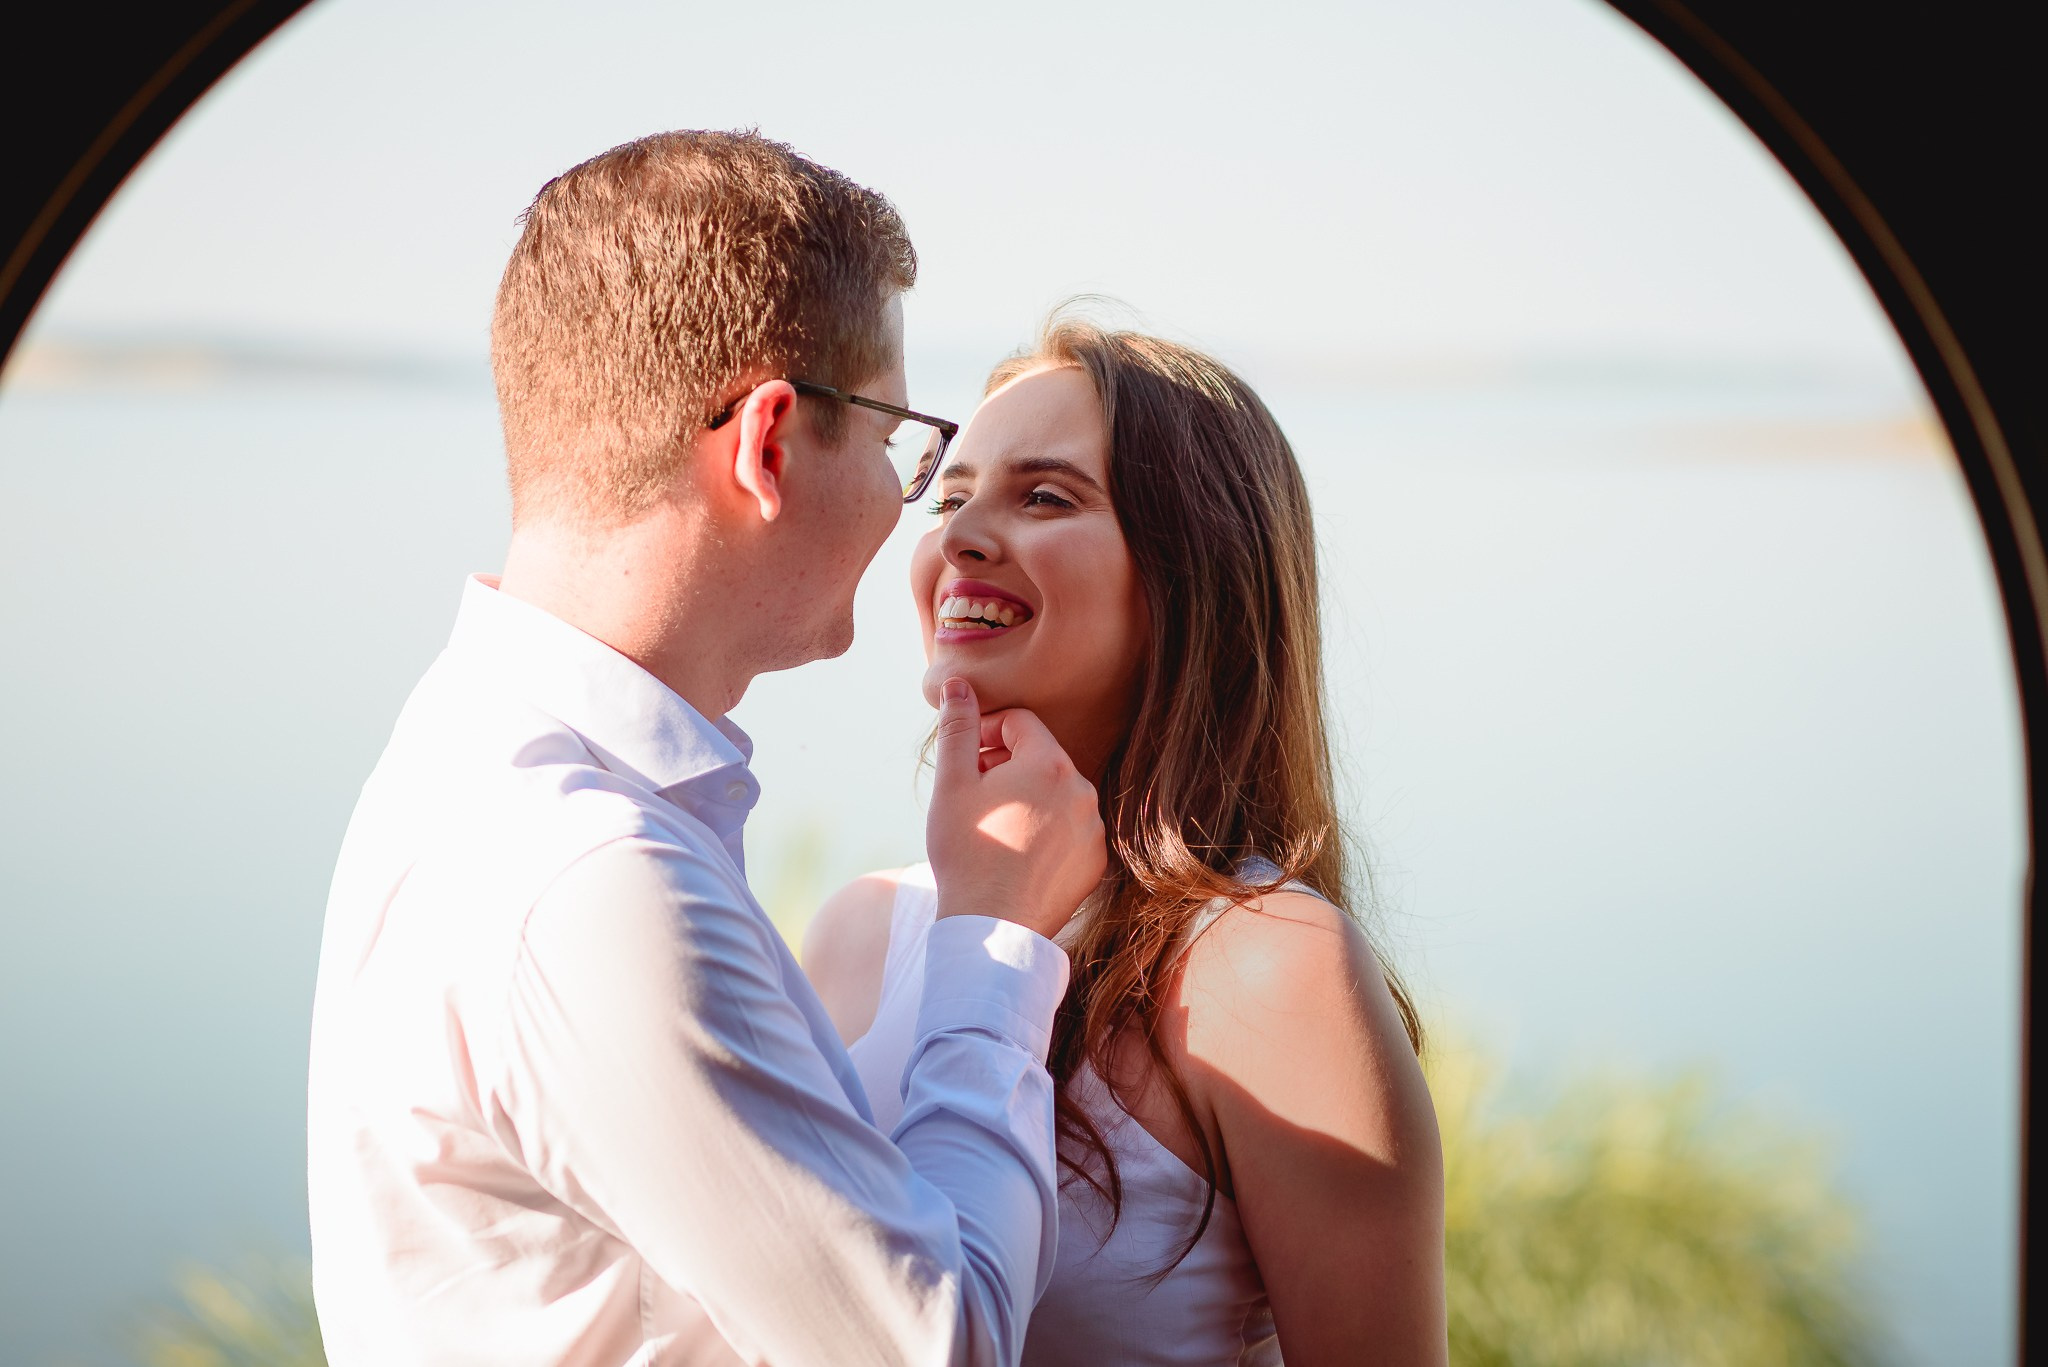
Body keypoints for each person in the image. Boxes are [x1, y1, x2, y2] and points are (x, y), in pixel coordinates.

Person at [306, 130, 1107, 1367]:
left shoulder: (466, 750)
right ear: (769, 443)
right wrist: (993, 939)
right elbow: (935, 1345)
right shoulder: (591, 878)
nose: (920, 507)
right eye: (899, 437)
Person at [804, 319, 1448, 1365]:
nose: (958, 536)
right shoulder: (859, 929)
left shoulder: (1270, 966)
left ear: (1187, 576)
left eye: (1044, 495)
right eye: (953, 494)